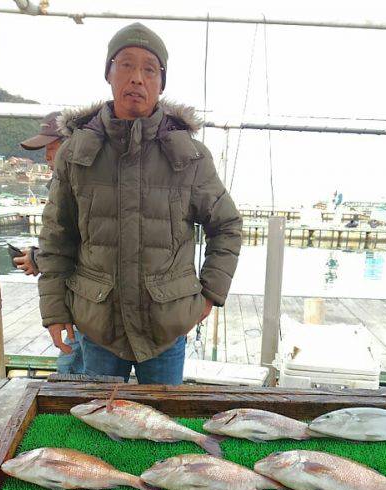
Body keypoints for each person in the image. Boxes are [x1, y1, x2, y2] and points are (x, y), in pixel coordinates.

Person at [37, 22, 242, 384]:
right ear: (109, 73)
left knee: (164, 417)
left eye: (150, 69)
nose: (137, 78)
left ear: (161, 83)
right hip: (98, 328)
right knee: (98, 415)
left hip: (167, 329)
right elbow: (57, 238)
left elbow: (227, 226)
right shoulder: (75, 153)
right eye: (126, 65)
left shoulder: (190, 156)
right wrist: (55, 310)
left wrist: (210, 293)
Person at [15, 112, 84, 374]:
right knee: (71, 367)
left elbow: (84, 244)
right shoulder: (60, 184)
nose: (47, 157)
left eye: (51, 148)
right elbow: (62, 240)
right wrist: (39, 257)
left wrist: (37, 258)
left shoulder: (83, 185)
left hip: (85, 305)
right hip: (74, 303)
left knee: (70, 370)